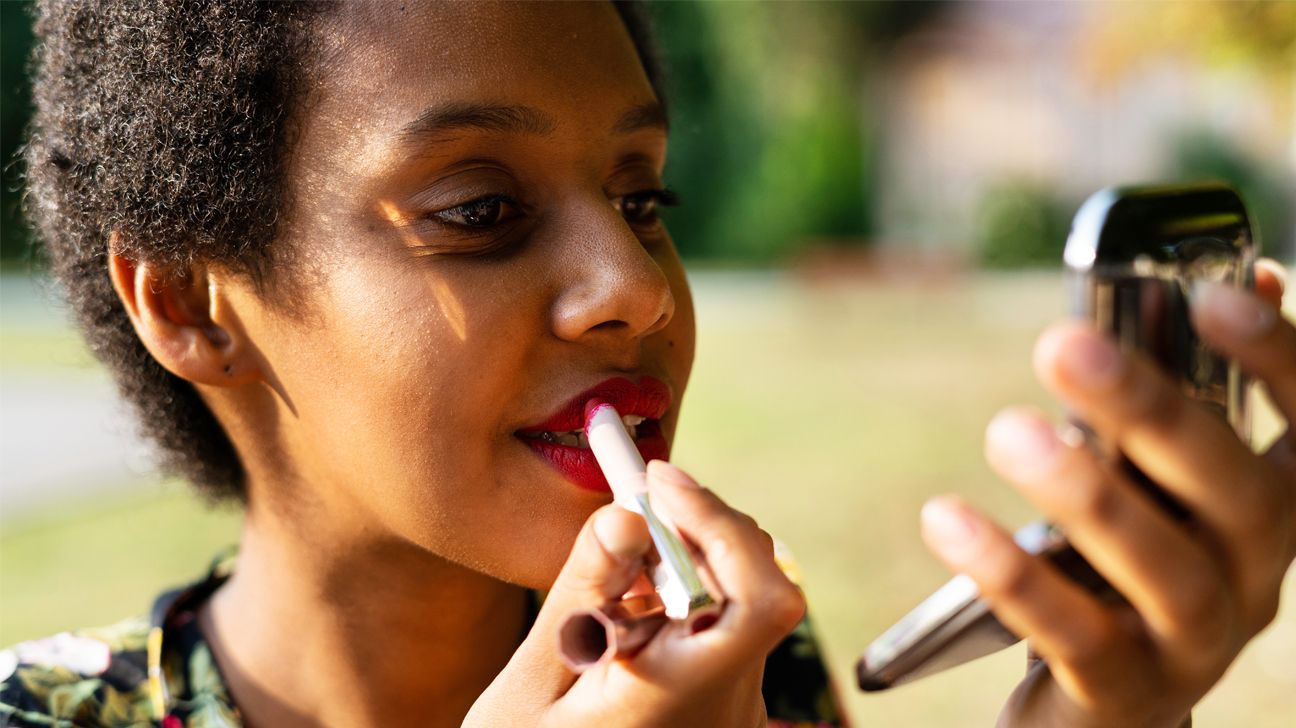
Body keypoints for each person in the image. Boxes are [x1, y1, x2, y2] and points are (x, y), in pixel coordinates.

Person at [2, 2, 1292, 727]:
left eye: (643, 196)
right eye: (477, 210)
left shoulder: (735, 680)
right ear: (188, 301)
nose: (632, 288)